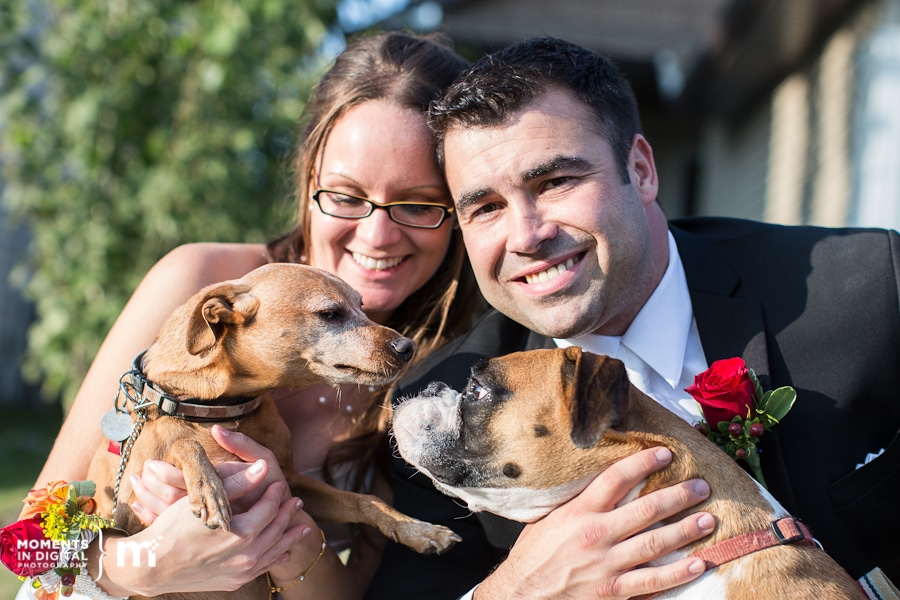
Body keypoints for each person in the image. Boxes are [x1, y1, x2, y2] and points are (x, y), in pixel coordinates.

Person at [360, 37, 900, 599]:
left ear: (641, 169)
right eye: (486, 208)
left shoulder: (870, 289)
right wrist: (515, 592)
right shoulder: (445, 401)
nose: (526, 236)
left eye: (555, 182)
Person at [19, 31, 484, 600]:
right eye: (344, 194)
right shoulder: (196, 286)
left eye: (417, 203)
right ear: (308, 178)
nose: (377, 234)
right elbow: (29, 546)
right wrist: (145, 564)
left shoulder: (453, 369)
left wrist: (280, 540)